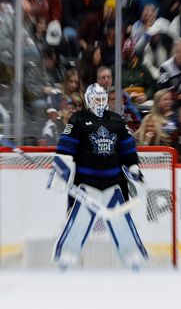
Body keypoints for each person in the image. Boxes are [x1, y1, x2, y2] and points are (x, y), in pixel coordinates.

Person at [51, 83, 147, 269]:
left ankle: (131, 253)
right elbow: (65, 148)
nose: (100, 102)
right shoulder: (78, 119)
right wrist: (60, 173)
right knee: (78, 221)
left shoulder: (116, 120)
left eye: (103, 99)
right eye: (96, 99)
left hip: (114, 182)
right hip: (86, 184)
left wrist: (134, 169)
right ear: (88, 100)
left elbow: (128, 149)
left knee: (122, 222)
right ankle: (67, 254)